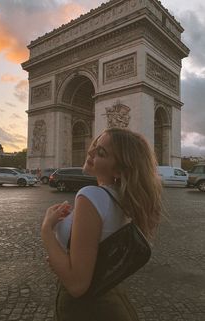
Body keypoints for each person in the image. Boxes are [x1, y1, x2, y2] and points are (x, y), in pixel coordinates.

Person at [41, 127, 162, 321]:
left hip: (86, 309)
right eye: (95, 146)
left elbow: (77, 285)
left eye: (101, 152)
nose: (90, 152)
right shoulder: (124, 200)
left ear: (119, 170)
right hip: (110, 298)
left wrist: (47, 228)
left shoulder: (91, 195)